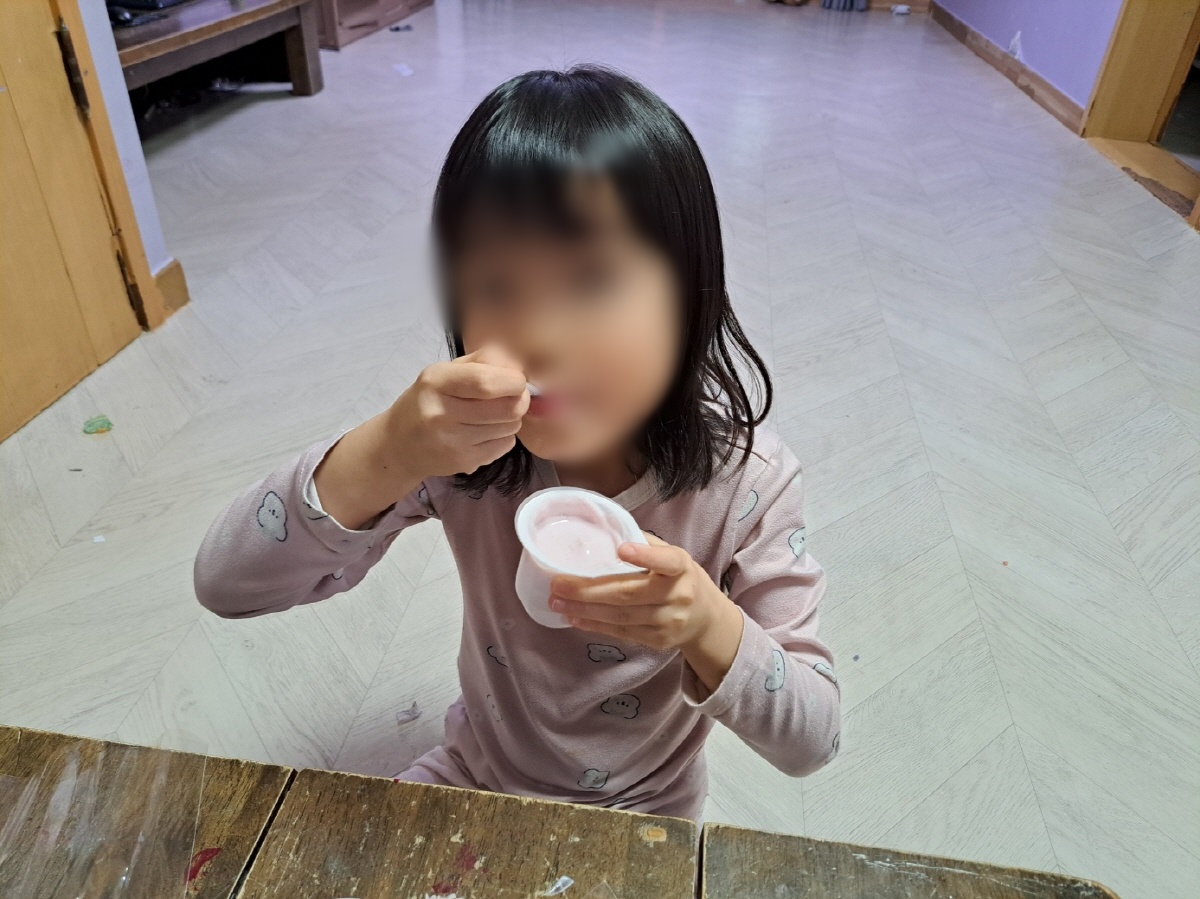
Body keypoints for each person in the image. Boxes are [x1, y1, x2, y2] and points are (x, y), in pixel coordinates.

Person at [194, 65, 840, 822]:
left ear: (689, 293)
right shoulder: (460, 454)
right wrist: (389, 451)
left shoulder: (748, 484)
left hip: (650, 810)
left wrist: (706, 622)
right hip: (477, 772)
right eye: (497, 288)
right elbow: (226, 584)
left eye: (593, 280)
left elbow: (815, 739)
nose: (540, 334)